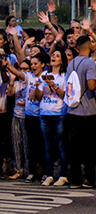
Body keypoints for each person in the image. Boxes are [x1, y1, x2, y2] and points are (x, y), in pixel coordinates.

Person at [7, 53, 49, 183]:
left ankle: (43, 171)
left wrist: (37, 88)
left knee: (42, 145)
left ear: (42, 64)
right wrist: (8, 66)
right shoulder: (29, 76)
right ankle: (31, 172)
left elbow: (40, 96)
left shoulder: (45, 76)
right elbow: (19, 74)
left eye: (36, 64)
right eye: (32, 64)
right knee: (30, 145)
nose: (33, 66)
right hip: (29, 115)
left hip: (41, 115)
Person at [67, 36, 96, 189]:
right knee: (90, 146)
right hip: (88, 110)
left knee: (74, 147)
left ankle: (74, 179)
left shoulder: (71, 63)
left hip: (72, 109)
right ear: (89, 46)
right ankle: (88, 178)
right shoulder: (90, 63)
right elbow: (91, 85)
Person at [35, 50, 68, 187]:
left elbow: (64, 95)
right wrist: (37, 87)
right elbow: (39, 97)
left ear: (62, 61)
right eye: (53, 55)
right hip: (45, 114)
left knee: (61, 146)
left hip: (59, 113)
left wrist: (53, 85)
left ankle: (63, 175)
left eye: (57, 56)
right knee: (48, 146)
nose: (54, 57)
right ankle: (49, 175)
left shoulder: (64, 76)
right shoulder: (44, 74)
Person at [7, 60, 31, 180]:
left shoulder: (30, 81)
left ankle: (27, 169)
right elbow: (10, 94)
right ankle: (18, 169)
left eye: (26, 69)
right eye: (21, 68)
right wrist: (12, 80)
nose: (22, 71)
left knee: (26, 143)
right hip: (16, 114)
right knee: (16, 143)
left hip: (26, 115)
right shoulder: (17, 83)